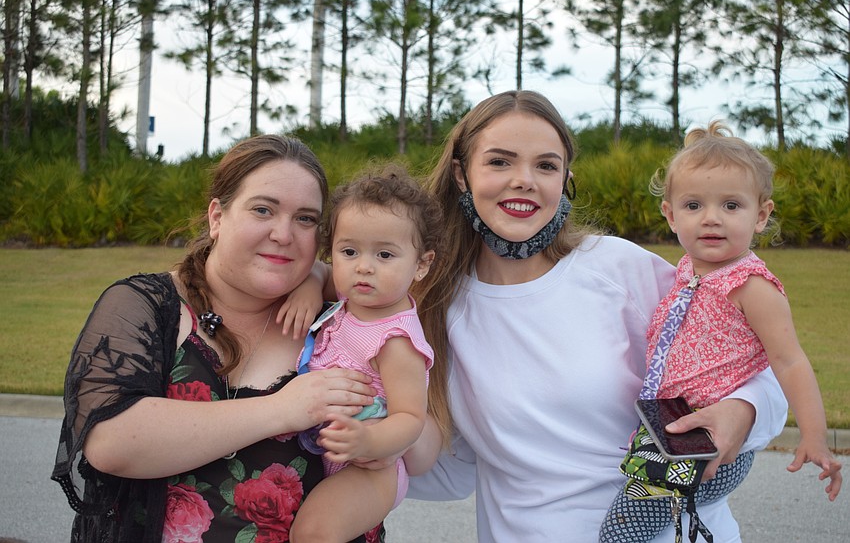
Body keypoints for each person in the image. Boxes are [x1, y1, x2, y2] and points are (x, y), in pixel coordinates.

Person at [402, 90, 790, 542]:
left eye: (546, 166)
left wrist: (744, 411)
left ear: (565, 179)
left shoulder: (621, 269)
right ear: (461, 174)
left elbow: (762, 375)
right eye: (500, 162)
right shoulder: (431, 310)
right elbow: (454, 469)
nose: (524, 180)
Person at [51, 134, 382, 543]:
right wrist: (284, 409)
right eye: (263, 209)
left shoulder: (345, 320)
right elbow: (111, 442)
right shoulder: (147, 306)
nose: (284, 234)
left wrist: (316, 275)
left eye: (305, 219)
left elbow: (424, 433)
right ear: (217, 217)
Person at [599, 121, 842, 542]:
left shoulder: (751, 286)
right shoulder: (688, 270)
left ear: (761, 215)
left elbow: (790, 361)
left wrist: (814, 437)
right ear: (671, 215)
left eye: (731, 205)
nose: (711, 218)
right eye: (694, 205)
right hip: (678, 432)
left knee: (621, 532)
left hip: (711, 445)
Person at [286, 166, 442, 542]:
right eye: (349, 251)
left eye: (385, 254)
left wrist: (369, 442)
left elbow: (410, 418)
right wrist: (310, 284)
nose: (364, 267)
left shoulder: (395, 340)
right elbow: (325, 272)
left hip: (371, 468)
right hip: (333, 449)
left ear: (421, 264)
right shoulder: (353, 296)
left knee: (314, 533)